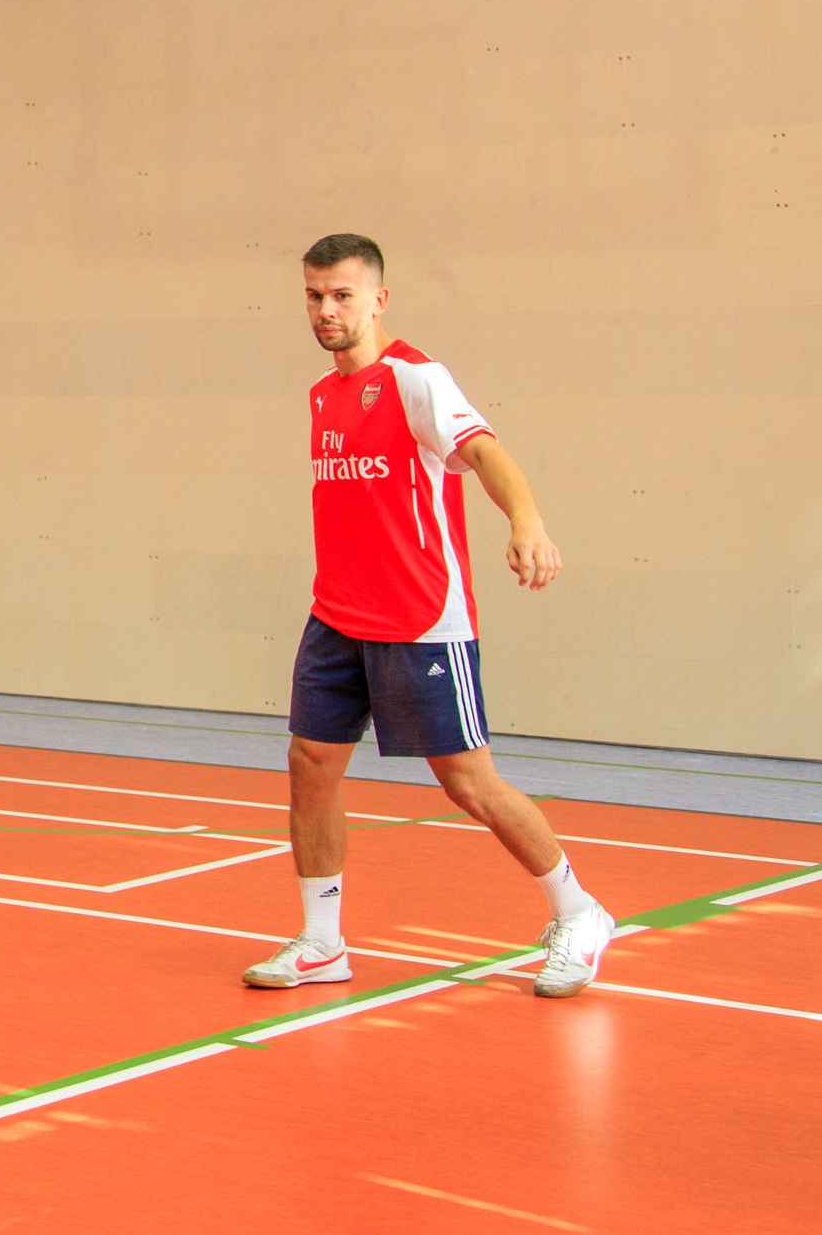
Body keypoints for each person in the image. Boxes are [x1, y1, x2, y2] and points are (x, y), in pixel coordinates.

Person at [242, 233, 613, 999]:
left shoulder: (416, 378)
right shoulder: (323, 395)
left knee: (468, 781)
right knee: (311, 764)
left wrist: (527, 521)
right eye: (314, 295)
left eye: (342, 294)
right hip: (336, 615)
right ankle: (322, 941)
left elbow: (487, 453)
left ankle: (579, 912)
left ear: (379, 299)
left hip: (419, 618)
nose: (326, 309)